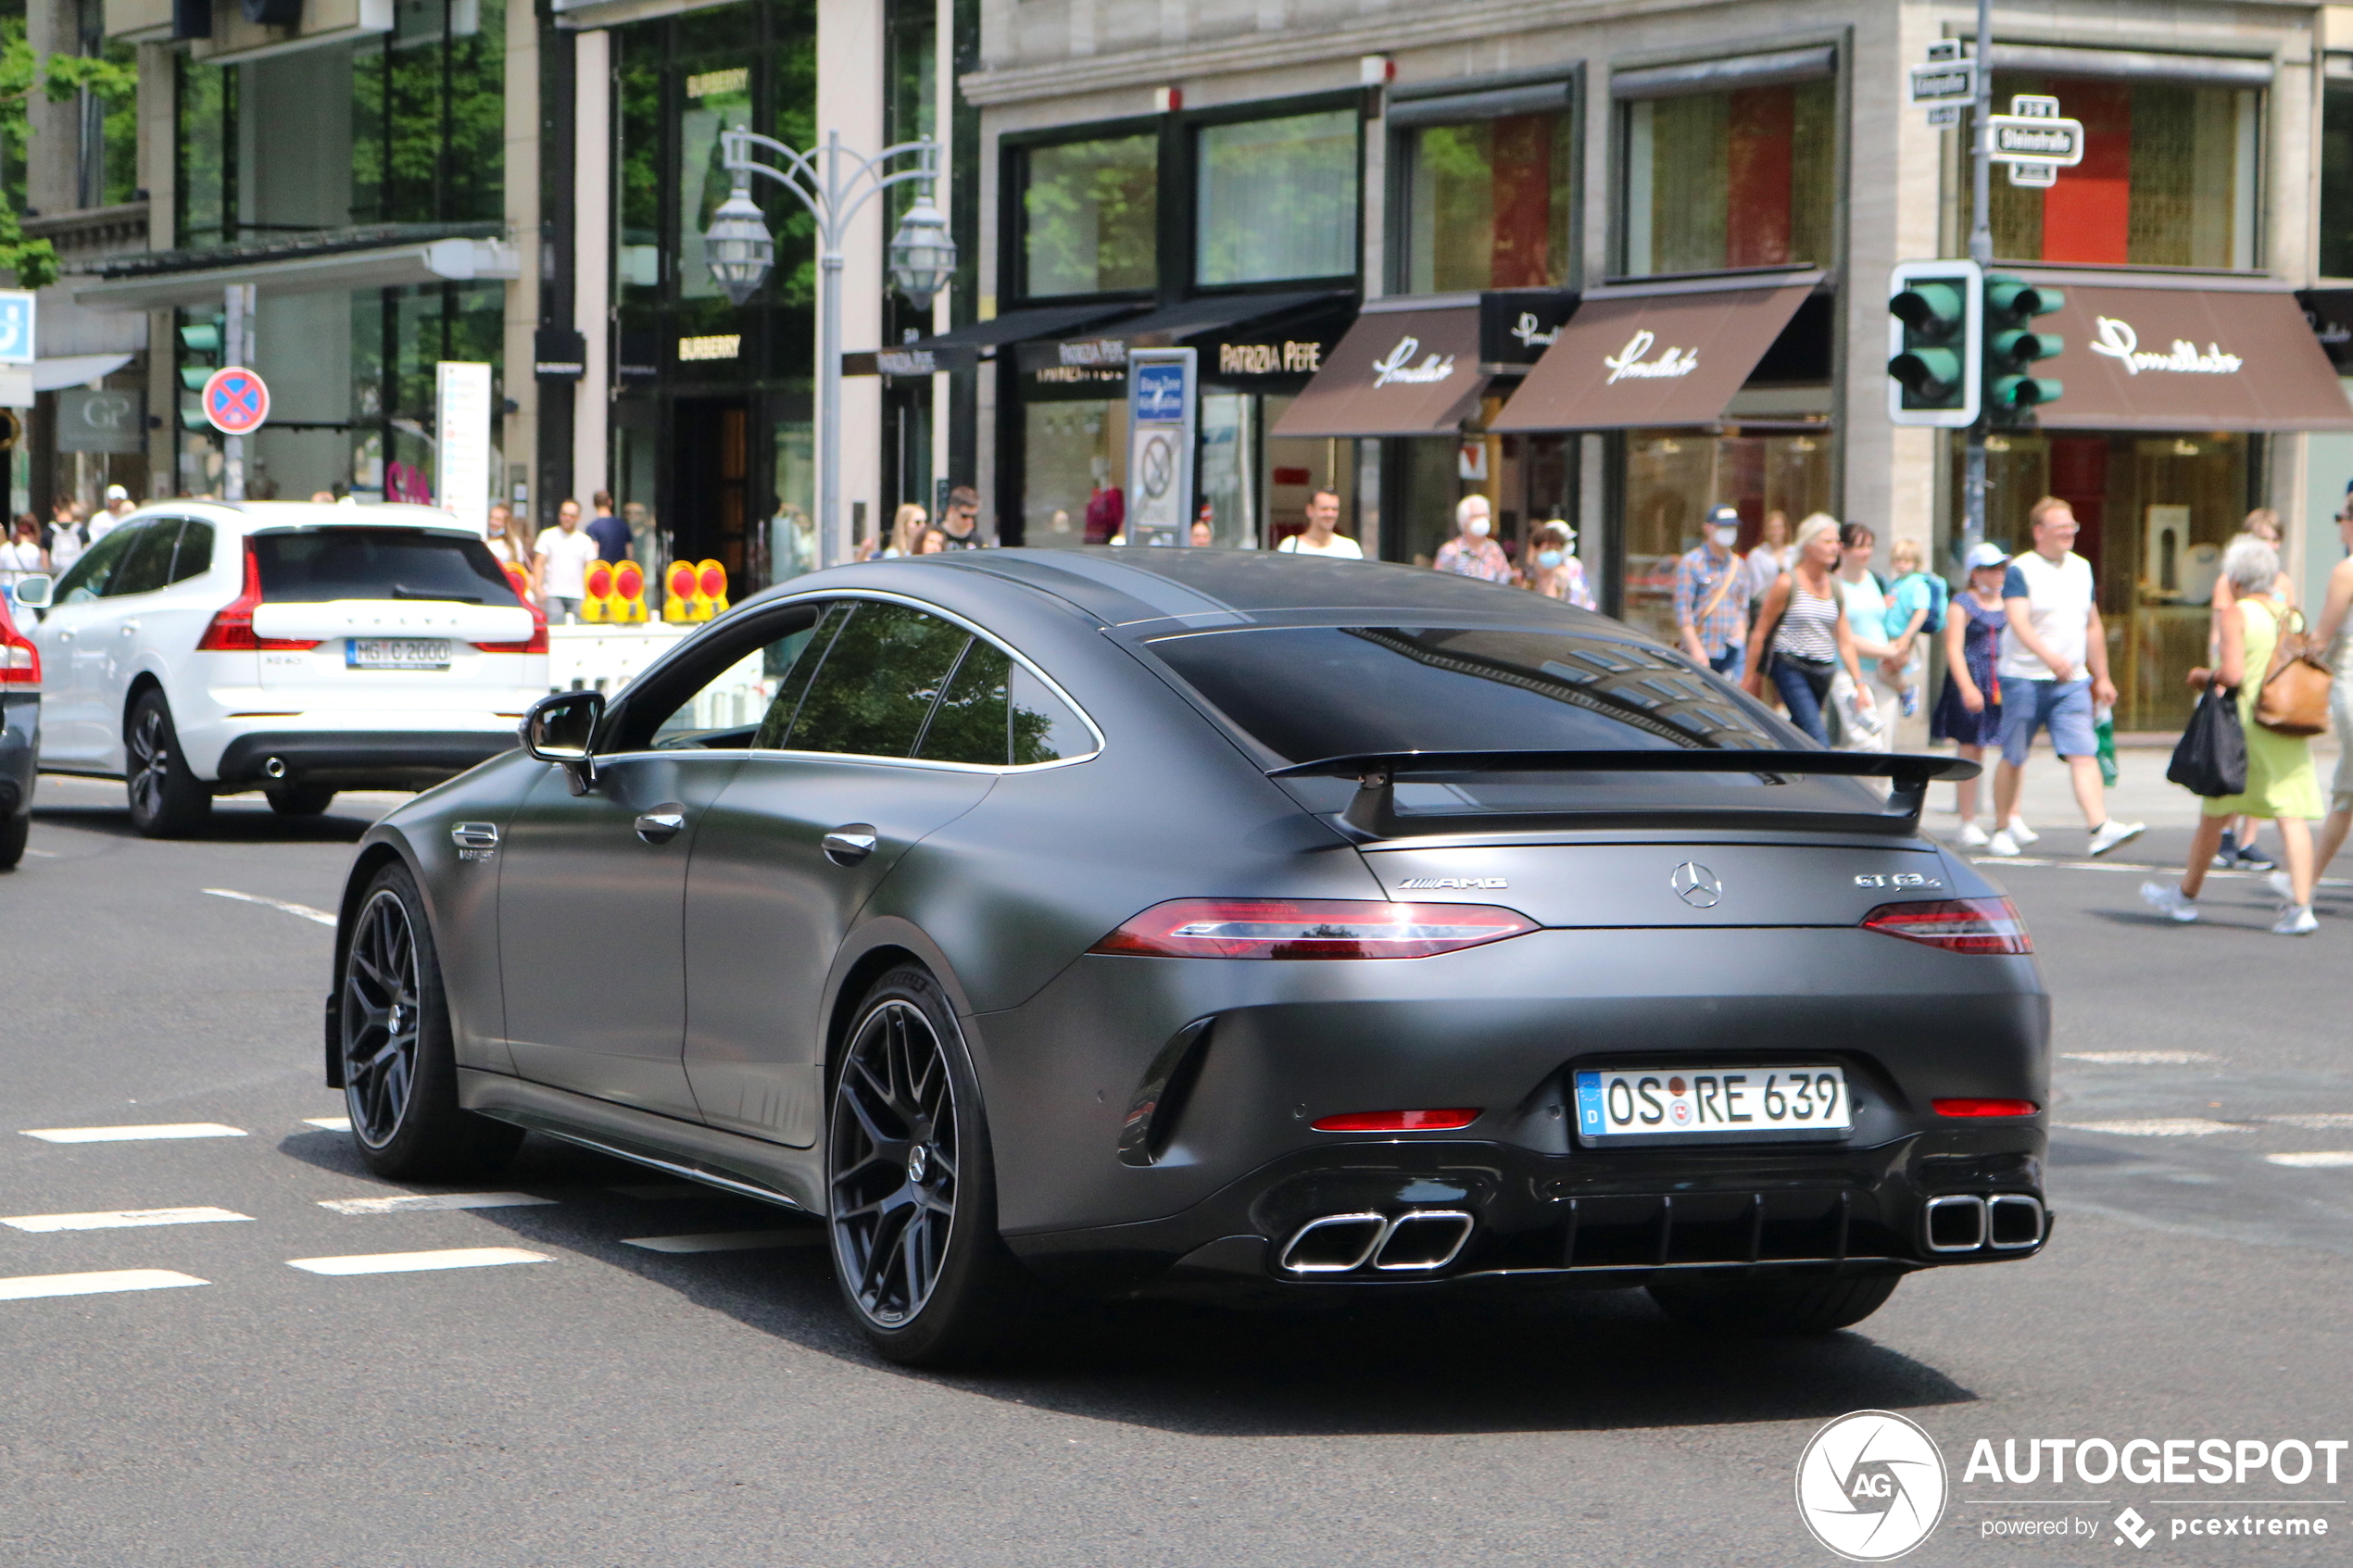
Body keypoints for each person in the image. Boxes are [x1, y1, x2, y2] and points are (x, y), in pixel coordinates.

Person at [2140, 535, 2323, 935]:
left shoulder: (2237, 614)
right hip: (2285, 724)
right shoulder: (2288, 614)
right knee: (2291, 816)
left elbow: (2234, 675)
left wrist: (2202, 676)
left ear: (2236, 579)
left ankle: (2186, 896)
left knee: (2216, 811)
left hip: (2243, 727)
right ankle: (2302, 906)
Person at [1989, 496, 2144, 859]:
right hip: (2023, 678)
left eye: (2071, 527)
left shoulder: (2081, 568)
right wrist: (2049, 657)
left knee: (2083, 752)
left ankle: (2100, 826)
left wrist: (2102, 677)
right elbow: (2018, 620)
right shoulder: (2021, 570)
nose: (2068, 533)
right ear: (2038, 531)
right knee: (2014, 755)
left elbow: (2091, 625)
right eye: (2059, 527)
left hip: (2072, 681)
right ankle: (2001, 826)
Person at [2204, 508, 2296, 872]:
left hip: (2271, 683)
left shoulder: (2284, 583)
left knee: (2263, 770)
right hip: (2238, 679)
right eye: (2262, 539)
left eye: (2275, 540)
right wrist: (2216, 676)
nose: (2270, 546)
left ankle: (2247, 840)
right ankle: (2223, 837)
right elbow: (2219, 634)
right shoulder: (2231, 582)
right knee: (2232, 761)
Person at [1743, 512, 1876, 745]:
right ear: (1808, 545)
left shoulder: (1835, 586)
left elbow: (1844, 640)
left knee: (1798, 735)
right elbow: (1760, 633)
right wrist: (1749, 678)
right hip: (1791, 666)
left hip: (1823, 670)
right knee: (1818, 739)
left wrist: (1859, 683)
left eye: (1837, 542)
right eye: (1827, 542)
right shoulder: (1788, 582)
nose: (1835, 547)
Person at [1933, 543, 2010, 846]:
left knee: (2010, 751)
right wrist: (1966, 687)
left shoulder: (2008, 602)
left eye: (2001, 568)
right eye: (1991, 569)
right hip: (1974, 677)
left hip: (2002, 679)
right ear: (1975, 573)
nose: (1998, 574)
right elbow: (1953, 647)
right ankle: (1968, 820)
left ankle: (2008, 817)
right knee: (1971, 749)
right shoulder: (1962, 604)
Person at [2296, 503, 2353, 900]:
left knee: (2347, 790)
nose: (2338, 526)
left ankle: (2305, 881)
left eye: (2342, 517)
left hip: (2350, 683)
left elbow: (2323, 638)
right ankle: (2306, 879)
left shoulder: (2346, 571)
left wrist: (2295, 654)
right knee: (2347, 791)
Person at [1830, 521, 1895, 751]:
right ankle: (1857, 788)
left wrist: (1898, 651)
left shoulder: (1877, 580)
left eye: (1869, 546)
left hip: (1882, 671)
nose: (1866, 552)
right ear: (1842, 548)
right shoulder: (1833, 585)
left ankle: (1880, 790)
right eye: (1860, 546)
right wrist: (1888, 651)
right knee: (1868, 744)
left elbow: (1889, 623)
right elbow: (1843, 638)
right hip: (1847, 672)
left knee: (1885, 747)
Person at [1673, 503, 1749, 676]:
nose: (1728, 531)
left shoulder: (1739, 565)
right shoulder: (1692, 562)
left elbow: (1743, 608)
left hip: (1732, 652)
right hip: (1702, 651)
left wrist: (1741, 635)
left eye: (1732, 527)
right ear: (1708, 528)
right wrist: (1695, 649)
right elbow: (1683, 610)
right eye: (1723, 526)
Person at [1881, 537, 1945, 720]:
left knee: (1885, 671)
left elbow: (1921, 612)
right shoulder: (1897, 583)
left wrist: (1907, 636)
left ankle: (1906, 690)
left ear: (1916, 563)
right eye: (1897, 560)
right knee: (1885, 669)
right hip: (1891, 634)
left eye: (1907, 561)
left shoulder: (1918, 584)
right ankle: (1903, 692)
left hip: (1901, 637)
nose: (1901, 565)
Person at [533, 497, 599, 623]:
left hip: (579, 595)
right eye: (564, 514)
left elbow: (591, 570)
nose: (567, 518)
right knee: (556, 630)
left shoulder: (585, 541)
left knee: (580, 632)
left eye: (572, 516)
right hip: (553, 593)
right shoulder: (547, 536)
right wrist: (538, 587)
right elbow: (539, 563)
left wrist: (591, 595)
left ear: (578, 518)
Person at [1432, 495, 1512, 583]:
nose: (1482, 520)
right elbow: (1439, 584)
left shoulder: (1494, 549)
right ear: (1464, 521)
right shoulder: (1451, 551)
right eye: (1475, 516)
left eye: (1485, 515)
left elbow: (1505, 580)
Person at [1524, 521, 1595, 608]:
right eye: (1548, 548)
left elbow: (1579, 603)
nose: (1552, 553)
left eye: (1556, 549)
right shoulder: (1528, 576)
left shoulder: (1566, 577)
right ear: (1536, 550)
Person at [1277, 488, 1364, 558]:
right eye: (1324, 509)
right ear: (1310, 510)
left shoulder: (1349, 548)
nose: (1330, 514)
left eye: (1334, 509)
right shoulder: (1290, 547)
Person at [484, 501, 535, 598]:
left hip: (508, 588)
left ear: (505, 523)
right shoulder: (483, 540)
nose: (494, 522)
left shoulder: (514, 543)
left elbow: (520, 567)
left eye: (498, 519)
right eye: (492, 518)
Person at [1744, 508, 1794, 604]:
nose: (1774, 532)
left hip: (1792, 606)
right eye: (1771, 528)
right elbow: (1756, 588)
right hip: (1765, 604)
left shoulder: (1794, 553)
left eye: (1778, 528)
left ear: (1785, 529)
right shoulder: (1757, 555)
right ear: (1766, 530)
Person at [585, 490, 630, 563]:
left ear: (594, 504)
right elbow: (630, 554)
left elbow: (593, 554)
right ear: (610, 502)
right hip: (619, 571)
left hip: (602, 571)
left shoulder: (592, 528)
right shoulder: (623, 525)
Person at [939, 484, 984, 548]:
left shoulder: (977, 540)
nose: (969, 521)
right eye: (964, 516)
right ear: (951, 510)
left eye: (973, 517)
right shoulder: (936, 537)